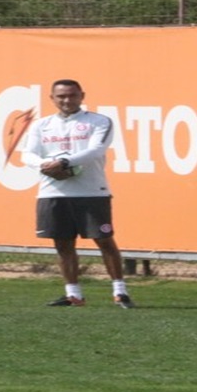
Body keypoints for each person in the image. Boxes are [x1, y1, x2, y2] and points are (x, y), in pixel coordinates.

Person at [19, 79, 134, 308]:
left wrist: (63, 161)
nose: (67, 100)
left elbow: (96, 150)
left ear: (82, 96)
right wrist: (45, 165)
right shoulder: (41, 125)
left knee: (104, 240)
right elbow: (27, 155)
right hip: (52, 192)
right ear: (52, 99)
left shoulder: (98, 121)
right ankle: (74, 295)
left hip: (92, 192)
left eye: (72, 95)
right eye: (61, 96)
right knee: (62, 244)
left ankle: (120, 292)